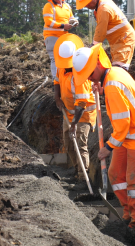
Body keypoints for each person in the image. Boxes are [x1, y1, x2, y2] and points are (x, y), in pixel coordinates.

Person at [72, 43, 135, 234]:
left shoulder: (112, 84)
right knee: (115, 174)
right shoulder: (112, 74)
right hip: (128, 135)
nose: (89, 79)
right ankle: (128, 212)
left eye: (89, 75)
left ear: (97, 66)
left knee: (134, 183)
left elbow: (123, 123)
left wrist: (108, 147)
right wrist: (102, 88)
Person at [53, 33, 96, 181]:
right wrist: (57, 98)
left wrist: (74, 124)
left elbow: (82, 104)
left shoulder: (80, 76)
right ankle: (77, 170)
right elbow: (57, 82)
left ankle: (83, 178)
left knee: (80, 144)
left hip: (82, 115)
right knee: (68, 143)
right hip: (68, 111)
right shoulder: (61, 67)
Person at [75, 0, 135, 70]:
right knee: (115, 68)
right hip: (118, 40)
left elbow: (100, 33)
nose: (86, 6)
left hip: (124, 39)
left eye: (87, 3)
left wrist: (91, 49)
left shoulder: (103, 9)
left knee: (119, 69)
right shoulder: (101, 3)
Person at [43, 0, 78, 83]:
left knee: (66, 57)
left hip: (64, 37)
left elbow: (71, 18)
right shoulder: (48, 6)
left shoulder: (67, 6)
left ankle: (65, 80)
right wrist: (63, 26)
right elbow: (48, 22)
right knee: (55, 59)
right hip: (52, 37)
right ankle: (56, 81)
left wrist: (74, 22)